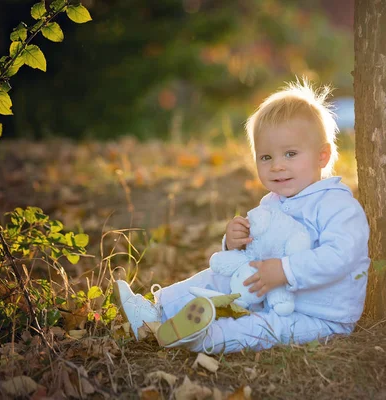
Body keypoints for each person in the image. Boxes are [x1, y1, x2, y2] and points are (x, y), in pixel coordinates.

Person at [114, 78, 370, 354]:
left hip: (318, 314)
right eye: (266, 157)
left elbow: (340, 256)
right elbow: (259, 251)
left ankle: (203, 336)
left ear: (322, 156)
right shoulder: (272, 202)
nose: (277, 166)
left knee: (262, 328)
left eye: (291, 154)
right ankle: (155, 310)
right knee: (215, 277)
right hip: (268, 293)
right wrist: (236, 242)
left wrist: (285, 271)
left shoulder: (336, 204)